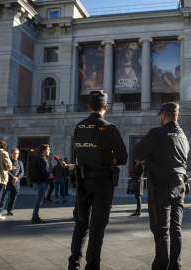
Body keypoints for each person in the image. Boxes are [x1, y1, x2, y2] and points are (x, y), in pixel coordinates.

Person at [68, 90, 128, 270]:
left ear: (89, 106)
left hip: (82, 181)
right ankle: (92, 266)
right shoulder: (109, 128)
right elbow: (123, 157)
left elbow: (79, 152)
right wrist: (112, 156)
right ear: (105, 107)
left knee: (80, 225)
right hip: (102, 182)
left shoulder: (79, 126)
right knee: (97, 227)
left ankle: (73, 265)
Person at [133, 102, 189, 270]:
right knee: (176, 228)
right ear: (177, 117)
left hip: (162, 187)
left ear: (163, 115)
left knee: (161, 229)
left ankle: (160, 266)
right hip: (180, 186)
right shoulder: (183, 136)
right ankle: (175, 266)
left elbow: (137, 153)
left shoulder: (157, 133)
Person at [32, 144, 54, 224]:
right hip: (41, 182)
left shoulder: (37, 158)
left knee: (39, 199)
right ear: (43, 151)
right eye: (48, 150)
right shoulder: (43, 160)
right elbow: (44, 172)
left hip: (36, 181)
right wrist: (49, 175)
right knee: (39, 200)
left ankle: (35, 216)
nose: (49, 151)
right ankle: (35, 217)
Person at [0, 148, 24, 216]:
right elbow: (6, 170)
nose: (15, 155)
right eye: (14, 153)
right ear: (11, 154)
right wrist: (12, 177)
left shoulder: (20, 162)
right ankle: (0, 210)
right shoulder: (8, 161)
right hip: (8, 182)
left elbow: (22, 172)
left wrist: (17, 178)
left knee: (13, 198)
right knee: (4, 197)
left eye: (16, 153)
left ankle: (10, 210)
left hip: (16, 182)